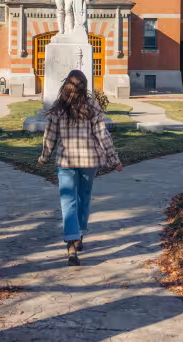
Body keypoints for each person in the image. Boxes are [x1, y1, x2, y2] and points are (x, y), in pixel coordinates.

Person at [38, 69, 122, 266]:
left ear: (66, 85)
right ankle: (79, 234)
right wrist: (114, 159)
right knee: (83, 198)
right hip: (88, 161)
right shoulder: (92, 106)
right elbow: (103, 135)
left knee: (68, 201)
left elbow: (50, 136)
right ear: (85, 87)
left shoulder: (58, 108)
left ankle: (71, 240)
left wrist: (44, 156)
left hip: (66, 161)